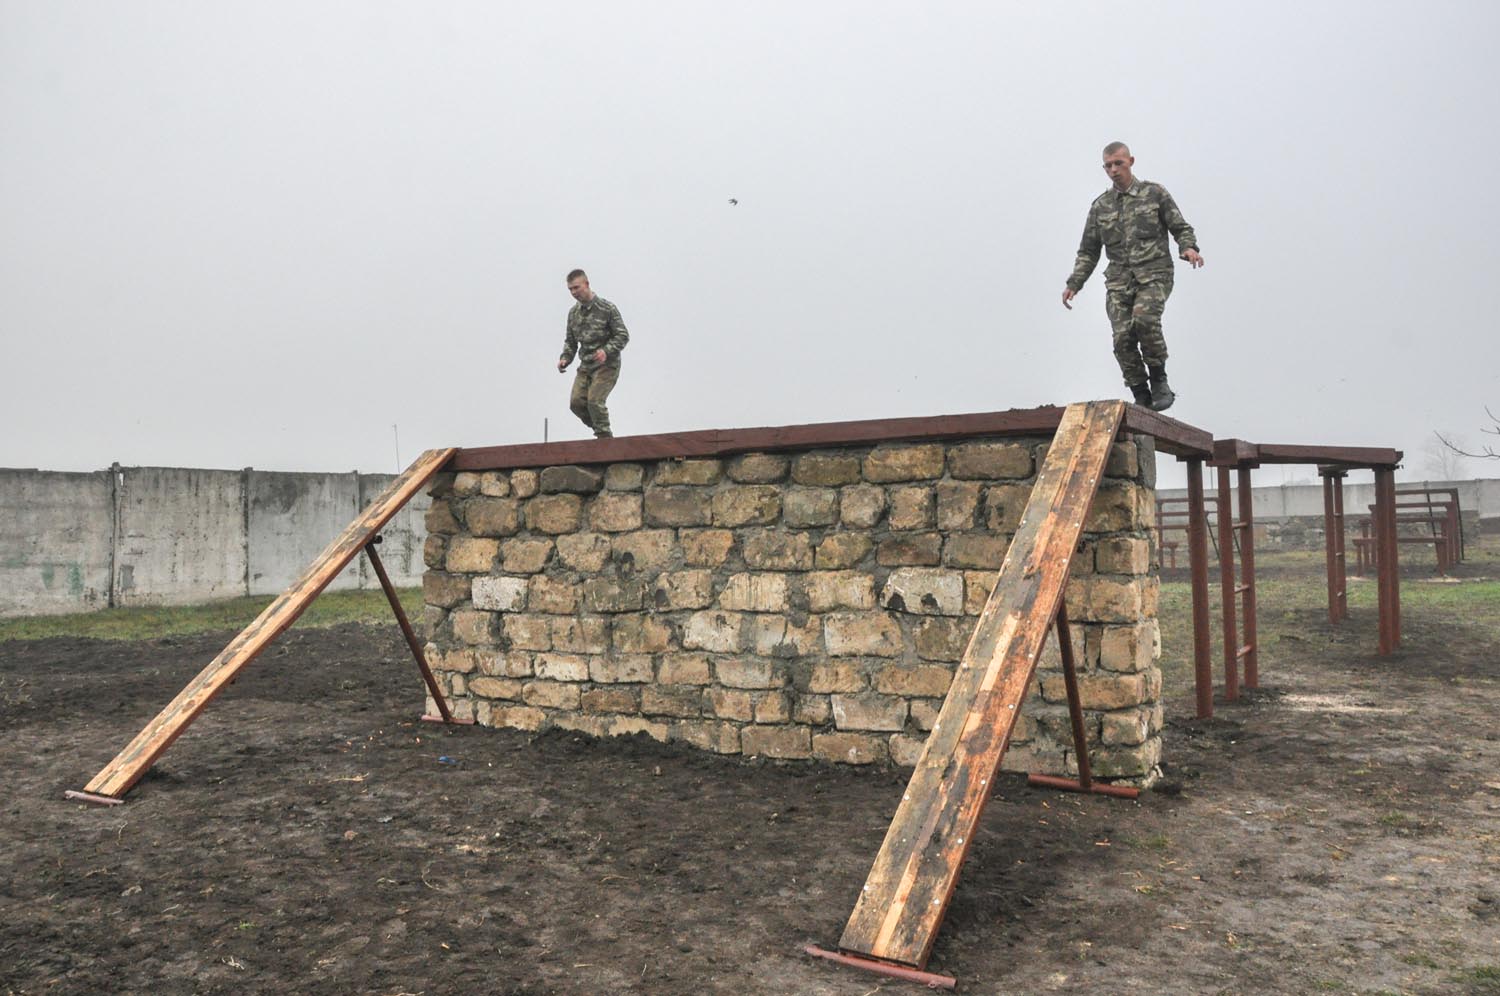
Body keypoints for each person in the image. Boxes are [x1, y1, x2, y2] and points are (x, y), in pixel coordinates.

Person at [1062, 142, 1203, 412]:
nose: (1114, 170)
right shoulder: (1100, 207)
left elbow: (1180, 227)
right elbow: (1089, 251)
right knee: (1122, 337)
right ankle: (1140, 392)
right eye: (1108, 166)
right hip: (1119, 282)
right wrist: (1074, 283)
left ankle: (1159, 381)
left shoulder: (1154, 193)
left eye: (1119, 163)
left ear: (1131, 162)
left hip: (1155, 274)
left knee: (1145, 319)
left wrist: (1188, 248)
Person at [557, 269, 629, 438]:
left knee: (595, 402)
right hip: (586, 366)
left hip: (607, 365)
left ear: (587, 284)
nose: (574, 293)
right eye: (570, 289)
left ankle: (604, 438)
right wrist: (565, 358)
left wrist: (606, 350)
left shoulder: (607, 308)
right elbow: (571, 342)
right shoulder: (573, 314)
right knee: (576, 403)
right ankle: (600, 428)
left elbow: (623, 335)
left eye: (577, 287)